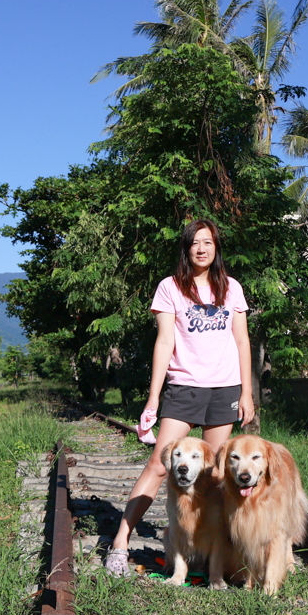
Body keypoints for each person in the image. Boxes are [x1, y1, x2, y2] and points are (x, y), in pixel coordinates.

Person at [105, 218, 254, 576]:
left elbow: (241, 341)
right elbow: (165, 342)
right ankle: (120, 544)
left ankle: (205, 553)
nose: (202, 249)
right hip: (184, 387)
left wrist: (246, 392)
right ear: (186, 249)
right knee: (159, 465)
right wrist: (153, 398)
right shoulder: (170, 287)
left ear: (216, 248)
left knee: (214, 475)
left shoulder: (231, 288)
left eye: (208, 242)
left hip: (224, 389)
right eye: (195, 243)